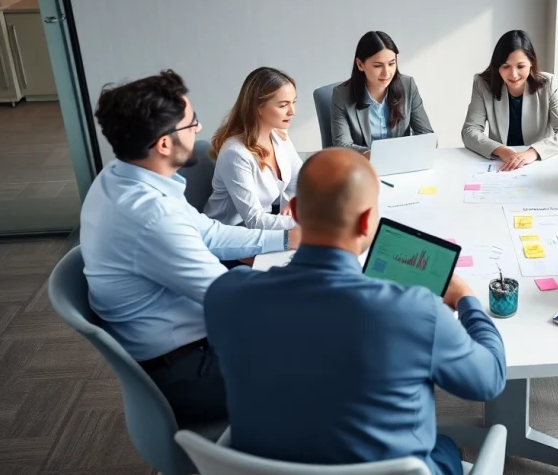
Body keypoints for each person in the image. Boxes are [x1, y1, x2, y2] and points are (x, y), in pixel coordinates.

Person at [204, 148, 506, 475]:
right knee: (444, 447)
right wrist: (466, 300)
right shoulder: (417, 311)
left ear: (293, 211)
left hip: (265, 465)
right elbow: (488, 379)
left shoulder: (226, 295)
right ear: (365, 221)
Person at [79, 70, 301, 424]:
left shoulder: (119, 177)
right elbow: (231, 299)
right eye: (191, 123)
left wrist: (288, 237)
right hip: (189, 367)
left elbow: (210, 233)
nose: (199, 129)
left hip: (192, 340)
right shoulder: (152, 216)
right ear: (164, 144)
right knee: (326, 362)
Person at [204, 67, 303, 230]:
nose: (292, 111)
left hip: (261, 228)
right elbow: (254, 220)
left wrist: (294, 203)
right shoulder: (235, 153)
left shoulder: (279, 135)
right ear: (258, 108)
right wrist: (311, 223)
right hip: (229, 236)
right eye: (283, 105)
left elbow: (300, 181)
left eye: (293, 102)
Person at [462, 29, 558, 171]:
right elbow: (469, 131)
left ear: (532, 62)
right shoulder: (483, 83)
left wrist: (531, 153)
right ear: (497, 67)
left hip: (537, 163)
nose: (513, 74)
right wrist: (501, 150)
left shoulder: (549, 83)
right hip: (501, 163)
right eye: (506, 66)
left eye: (520, 66)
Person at [331, 31, 433, 153]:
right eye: (378, 66)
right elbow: (343, 146)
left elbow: (427, 137)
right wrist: (379, 156)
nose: (386, 73)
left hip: (401, 166)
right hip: (363, 166)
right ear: (360, 64)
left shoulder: (408, 86)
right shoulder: (341, 95)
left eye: (391, 64)